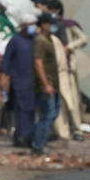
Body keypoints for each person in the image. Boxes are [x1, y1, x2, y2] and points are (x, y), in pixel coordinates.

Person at [50, 0, 87, 141]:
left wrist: (69, 47)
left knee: (71, 100)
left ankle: (77, 129)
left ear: (57, 10)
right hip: (56, 68)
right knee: (60, 101)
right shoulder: (51, 25)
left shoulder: (68, 25)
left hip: (68, 67)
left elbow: (83, 39)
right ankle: (62, 130)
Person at [0, 13, 36, 147]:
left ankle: (28, 136)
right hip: (18, 81)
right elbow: (6, 61)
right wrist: (4, 79)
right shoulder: (15, 40)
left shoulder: (34, 39)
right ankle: (20, 136)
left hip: (32, 81)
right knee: (20, 110)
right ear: (23, 26)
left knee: (30, 109)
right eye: (31, 25)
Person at [31, 12, 61, 156]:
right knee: (47, 115)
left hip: (53, 84)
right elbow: (38, 63)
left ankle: (36, 137)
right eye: (50, 23)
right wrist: (45, 84)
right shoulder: (40, 41)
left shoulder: (48, 39)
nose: (52, 26)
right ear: (43, 24)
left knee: (53, 112)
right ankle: (37, 145)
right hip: (46, 84)